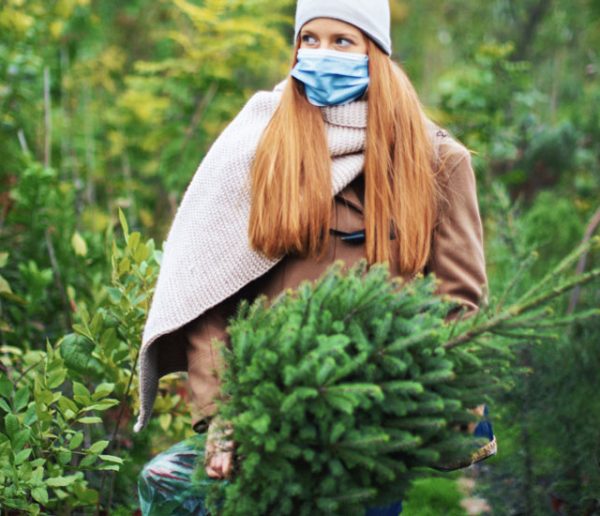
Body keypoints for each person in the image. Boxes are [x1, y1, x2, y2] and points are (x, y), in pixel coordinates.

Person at [136, 0, 496, 514]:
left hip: (368, 439)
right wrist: (222, 415)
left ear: (376, 53)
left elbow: (456, 303)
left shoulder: (436, 160)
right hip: (263, 426)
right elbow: (204, 294)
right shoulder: (259, 144)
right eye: (310, 39)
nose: (321, 54)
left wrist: (416, 412)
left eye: (342, 41)